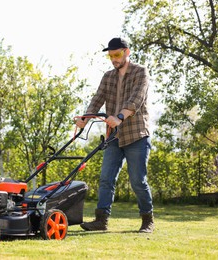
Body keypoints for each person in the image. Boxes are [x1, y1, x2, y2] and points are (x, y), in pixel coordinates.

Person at [76, 37, 154, 233]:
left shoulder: (140, 72)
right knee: (106, 179)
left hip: (136, 135)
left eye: (117, 54)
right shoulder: (108, 76)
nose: (113, 59)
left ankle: (147, 220)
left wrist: (120, 116)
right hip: (114, 137)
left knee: (137, 180)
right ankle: (101, 221)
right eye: (110, 56)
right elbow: (98, 98)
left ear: (127, 52)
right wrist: (84, 118)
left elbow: (137, 98)